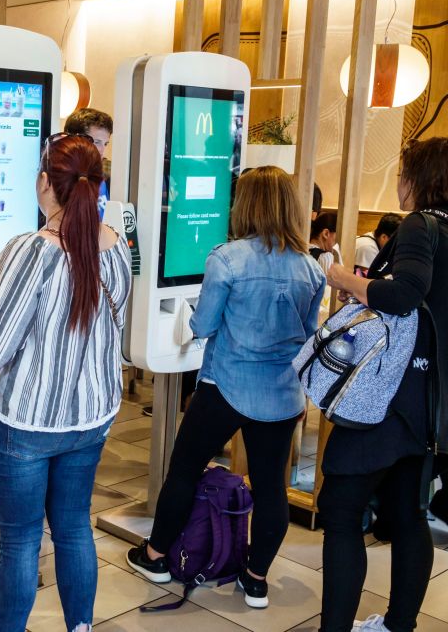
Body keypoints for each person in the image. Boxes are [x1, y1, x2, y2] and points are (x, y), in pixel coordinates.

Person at [127, 167, 325, 610]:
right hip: (281, 393)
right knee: (271, 486)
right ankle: (255, 580)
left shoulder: (227, 258)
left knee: (184, 468)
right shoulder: (311, 268)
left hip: (224, 387)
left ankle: (156, 556)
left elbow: (204, 324)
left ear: (245, 204)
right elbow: (309, 333)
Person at [0, 133, 131, 632]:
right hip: (90, 418)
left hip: (24, 422)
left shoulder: (29, 251)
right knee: (74, 527)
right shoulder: (117, 248)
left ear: (44, 184)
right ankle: (79, 627)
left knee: (20, 542)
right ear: (97, 186)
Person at [320, 137, 448, 632]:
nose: (397, 182)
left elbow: (404, 294)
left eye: (402, 172)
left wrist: (344, 280)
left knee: (343, 512)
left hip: (386, 396)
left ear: (420, 178)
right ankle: (398, 625)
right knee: (408, 511)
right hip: (429, 405)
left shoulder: (422, 225)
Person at [64, 108, 113, 216]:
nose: (102, 150)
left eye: (105, 144)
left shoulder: (109, 178)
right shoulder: (60, 179)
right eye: (96, 142)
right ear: (75, 141)